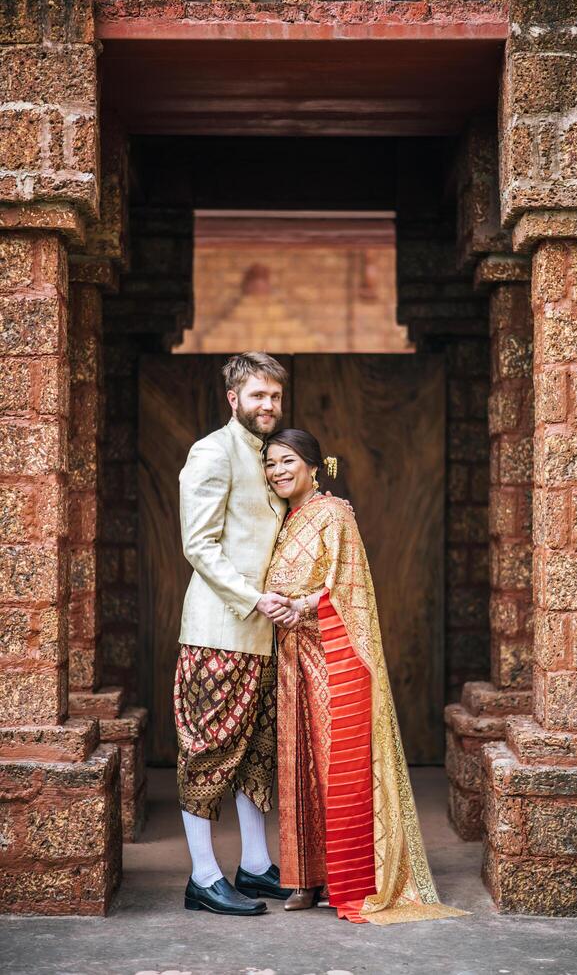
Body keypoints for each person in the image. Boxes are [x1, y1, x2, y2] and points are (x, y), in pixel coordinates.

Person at [264, 429, 467, 924]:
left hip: (334, 653)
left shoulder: (334, 515)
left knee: (339, 766)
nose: (278, 471)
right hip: (293, 657)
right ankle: (304, 879)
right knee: (299, 768)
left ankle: (349, 879)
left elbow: (349, 588)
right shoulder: (287, 520)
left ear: (314, 465)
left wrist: (300, 605)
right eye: (270, 464)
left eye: (288, 461)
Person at [174, 351, 298, 917]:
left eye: (275, 396)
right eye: (258, 396)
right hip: (218, 631)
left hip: (266, 635)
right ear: (234, 399)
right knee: (207, 751)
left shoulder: (271, 457)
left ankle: (253, 867)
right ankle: (202, 877)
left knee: (254, 755)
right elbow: (198, 545)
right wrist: (253, 598)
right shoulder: (212, 452)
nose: (268, 405)